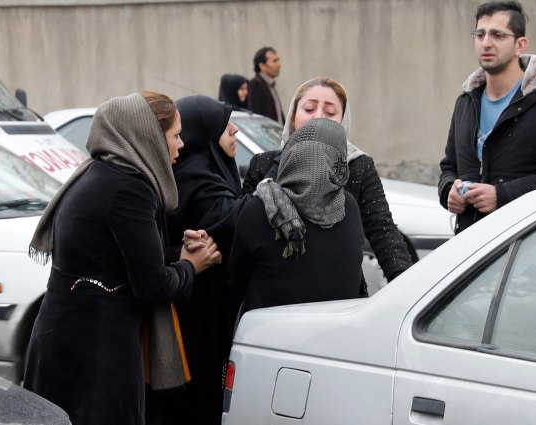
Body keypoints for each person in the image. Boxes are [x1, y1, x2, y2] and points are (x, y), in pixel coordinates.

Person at [23, 91, 222, 425]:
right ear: (150, 139)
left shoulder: (98, 174)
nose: (181, 145)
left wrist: (179, 253)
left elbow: (117, 259)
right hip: (96, 354)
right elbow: (152, 284)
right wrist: (191, 266)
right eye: (175, 136)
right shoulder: (129, 188)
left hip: (67, 340)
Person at [242, 77, 413, 290]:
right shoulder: (264, 164)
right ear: (293, 116)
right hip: (276, 295)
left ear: (343, 122)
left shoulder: (357, 166)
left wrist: (405, 283)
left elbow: (382, 228)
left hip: (340, 295)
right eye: (309, 108)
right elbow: (242, 231)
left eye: (330, 113)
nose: (318, 117)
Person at [438, 0, 536, 234]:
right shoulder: (466, 102)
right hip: (472, 249)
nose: (486, 43)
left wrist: (502, 195)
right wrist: (449, 189)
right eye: (480, 35)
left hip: (532, 250)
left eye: (498, 35)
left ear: (520, 45)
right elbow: (449, 167)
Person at [160, 95, 251, 425]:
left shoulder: (210, 174)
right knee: (199, 399)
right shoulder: (193, 181)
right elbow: (232, 217)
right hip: (195, 312)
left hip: (209, 307)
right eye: (227, 125)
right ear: (207, 133)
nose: (236, 130)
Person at [229, 118, 364, 311]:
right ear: (338, 161)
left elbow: (236, 277)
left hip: (267, 335)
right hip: (337, 333)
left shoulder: (260, 210)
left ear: (290, 155)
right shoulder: (348, 205)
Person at [247, 46, 285, 124]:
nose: (279, 64)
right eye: (274, 61)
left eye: (278, 60)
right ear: (262, 65)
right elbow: (256, 117)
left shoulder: (270, 85)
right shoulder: (255, 85)